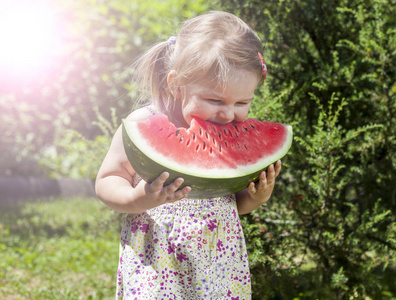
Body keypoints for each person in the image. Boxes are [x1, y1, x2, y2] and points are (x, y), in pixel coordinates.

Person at [95, 11, 282, 299]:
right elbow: (108, 179)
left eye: (243, 102)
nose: (228, 113)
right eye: (214, 100)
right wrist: (138, 199)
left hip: (218, 269)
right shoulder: (141, 124)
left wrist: (255, 198)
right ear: (176, 84)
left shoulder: (230, 133)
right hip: (158, 267)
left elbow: (231, 203)